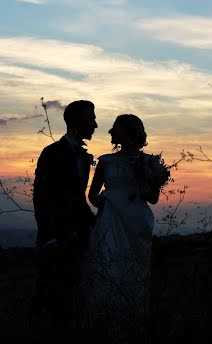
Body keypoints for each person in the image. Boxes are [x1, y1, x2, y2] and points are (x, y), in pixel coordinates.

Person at [82, 114, 160, 332]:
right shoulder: (105, 161)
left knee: (135, 268)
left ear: (128, 132)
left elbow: (153, 198)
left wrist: (142, 186)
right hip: (110, 221)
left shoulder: (148, 163)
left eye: (115, 127)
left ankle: (132, 322)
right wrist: (108, 203)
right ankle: (104, 321)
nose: (110, 131)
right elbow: (92, 195)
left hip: (136, 223)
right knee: (107, 262)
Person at [32, 99, 98, 328]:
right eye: (91, 119)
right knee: (52, 299)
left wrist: (94, 224)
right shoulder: (52, 153)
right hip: (57, 238)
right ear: (76, 121)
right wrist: (50, 237)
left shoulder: (83, 157)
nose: (95, 125)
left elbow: (78, 199)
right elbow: (42, 198)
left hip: (78, 236)